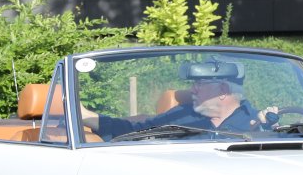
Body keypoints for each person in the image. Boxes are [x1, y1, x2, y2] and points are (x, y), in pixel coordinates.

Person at [89, 60, 279, 140]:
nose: (192, 89)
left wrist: (267, 131)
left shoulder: (257, 123)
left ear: (223, 90)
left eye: (199, 84)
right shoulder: (183, 114)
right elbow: (134, 131)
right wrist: (85, 116)